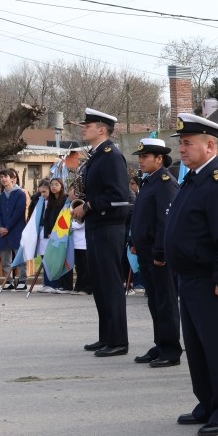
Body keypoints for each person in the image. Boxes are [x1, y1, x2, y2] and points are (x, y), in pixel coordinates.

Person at [166, 113, 218, 436]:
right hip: (190, 278)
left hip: (212, 281)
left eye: (188, 143)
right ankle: (208, 402)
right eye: (181, 143)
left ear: (211, 146)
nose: (182, 149)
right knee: (198, 349)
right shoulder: (194, 179)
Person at [71, 109, 130, 357]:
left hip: (109, 226)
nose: (84, 128)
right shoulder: (95, 156)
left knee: (110, 283)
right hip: (96, 225)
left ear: (102, 129)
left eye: (88, 125)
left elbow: (119, 196)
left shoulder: (111, 156)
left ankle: (118, 340)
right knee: (100, 284)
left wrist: (88, 206)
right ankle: (106, 336)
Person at [129, 138, 183, 368]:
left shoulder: (165, 183)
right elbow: (142, 216)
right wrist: (134, 240)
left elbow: (165, 222)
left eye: (145, 157)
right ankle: (160, 344)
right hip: (145, 250)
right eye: (140, 157)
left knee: (165, 301)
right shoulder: (150, 181)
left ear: (159, 159)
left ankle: (170, 350)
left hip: (157, 253)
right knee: (155, 301)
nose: (140, 161)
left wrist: (160, 252)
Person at [0, 168, 28, 291]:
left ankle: (22, 280)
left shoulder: (20, 193)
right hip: (3, 231)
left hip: (16, 229)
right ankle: (8, 280)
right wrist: (0, 227)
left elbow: (18, 212)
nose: (3, 179)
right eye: (1, 177)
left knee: (19, 255)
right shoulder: (1, 196)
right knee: (5, 258)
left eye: (6, 176)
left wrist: (7, 227)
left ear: (12, 179)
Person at [67, 184, 91, 296]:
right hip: (75, 241)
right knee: (79, 266)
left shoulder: (84, 204)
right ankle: (78, 285)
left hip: (84, 241)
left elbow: (82, 222)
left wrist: (71, 226)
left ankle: (87, 287)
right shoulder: (69, 205)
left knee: (85, 265)